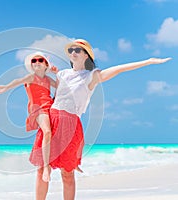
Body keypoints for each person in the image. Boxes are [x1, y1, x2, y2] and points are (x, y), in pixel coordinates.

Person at [29, 39, 171, 200]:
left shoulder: (92, 76)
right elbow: (54, 96)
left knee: (67, 174)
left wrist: (148, 61)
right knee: (41, 169)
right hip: (53, 119)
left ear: (86, 55)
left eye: (78, 50)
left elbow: (118, 69)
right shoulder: (62, 74)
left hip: (71, 124)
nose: (73, 52)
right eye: (71, 50)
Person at [0, 51, 58, 182]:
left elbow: (61, 86)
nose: (37, 63)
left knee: (59, 131)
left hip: (50, 106)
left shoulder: (48, 79)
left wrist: (56, 73)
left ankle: (70, 162)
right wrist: (6, 87)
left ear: (46, 64)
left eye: (40, 60)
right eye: (34, 61)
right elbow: (18, 81)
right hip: (38, 108)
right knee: (47, 132)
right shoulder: (31, 77)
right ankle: (46, 167)